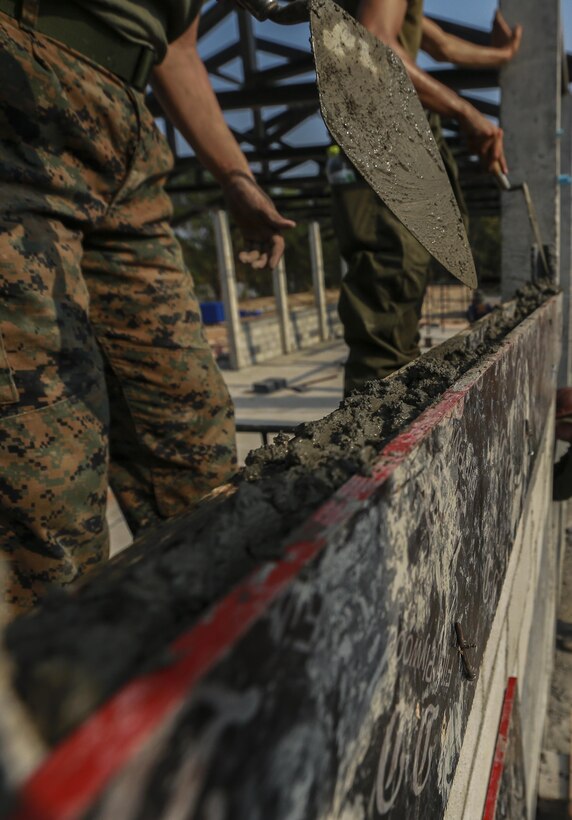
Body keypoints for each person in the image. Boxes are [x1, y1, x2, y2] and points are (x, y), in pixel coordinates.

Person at [0, 0, 295, 619]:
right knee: (50, 478)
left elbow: (179, 47)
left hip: (129, 130)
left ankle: (208, 663)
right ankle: (65, 685)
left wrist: (236, 175)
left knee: (195, 441)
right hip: (20, 81)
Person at [331, 0, 522, 394]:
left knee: (406, 277)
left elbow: (442, 45)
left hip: (391, 130)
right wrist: (465, 111)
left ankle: (389, 401)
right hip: (380, 131)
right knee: (391, 283)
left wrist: (502, 54)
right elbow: (373, 43)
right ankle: (376, 429)